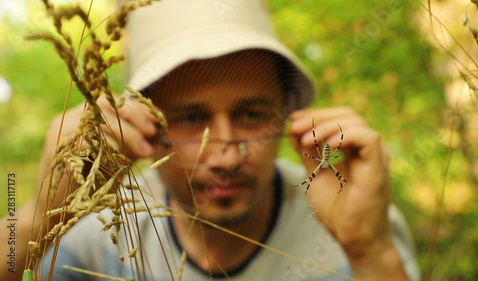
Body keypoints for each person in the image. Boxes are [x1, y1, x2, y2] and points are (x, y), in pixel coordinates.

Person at [0, 1, 420, 280]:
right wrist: (39, 217)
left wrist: (369, 250)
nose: (226, 153)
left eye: (251, 115)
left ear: (289, 119)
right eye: (190, 118)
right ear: (144, 125)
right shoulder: (102, 235)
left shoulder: (349, 219)